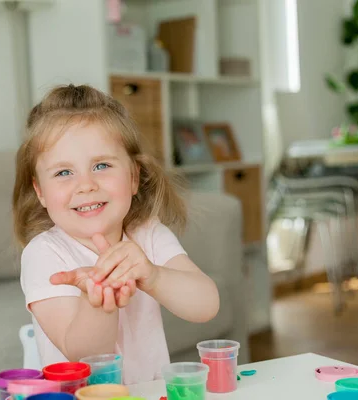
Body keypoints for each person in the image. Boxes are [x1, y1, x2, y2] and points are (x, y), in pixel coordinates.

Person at [12, 84, 220, 384]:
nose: (85, 185)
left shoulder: (147, 235)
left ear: (134, 177)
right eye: (63, 173)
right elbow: (83, 355)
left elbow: (206, 305)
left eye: (101, 165)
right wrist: (95, 299)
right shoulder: (44, 254)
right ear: (40, 191)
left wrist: (154, 276)